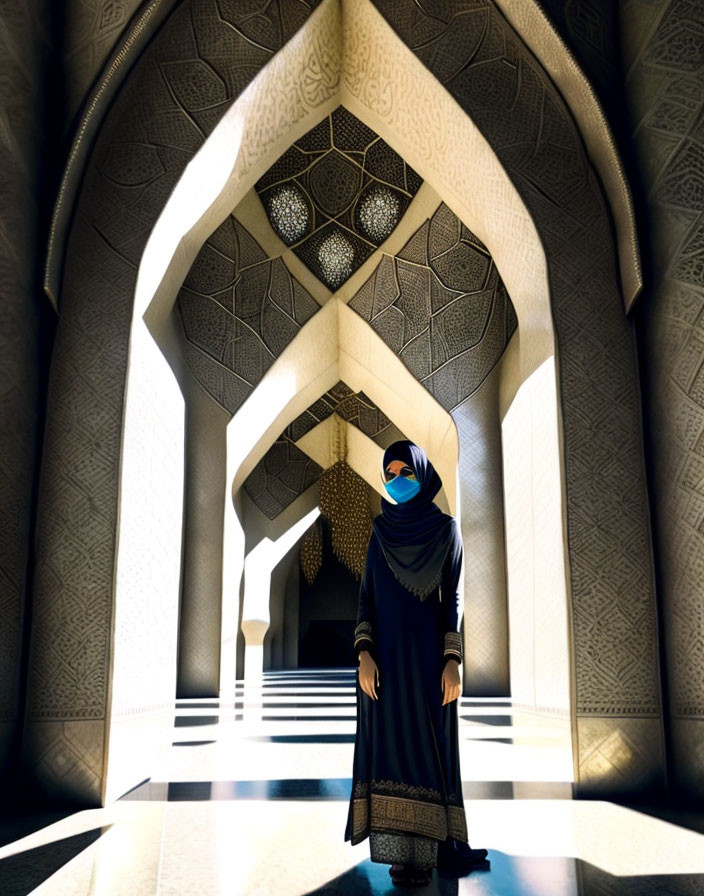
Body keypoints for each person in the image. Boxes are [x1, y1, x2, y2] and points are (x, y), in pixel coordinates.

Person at [344, 440, 490, 888]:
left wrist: (453, 660)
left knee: (427, 753)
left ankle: (426, 851)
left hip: (428, 664)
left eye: (405, 471)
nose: (396, 481)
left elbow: (455, 602)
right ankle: (401, 853)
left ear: (422, 473)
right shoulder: (378, 531)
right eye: (389, 474)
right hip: (383, 664)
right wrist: (364, 654)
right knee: (389, 753)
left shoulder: (446, 530)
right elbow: (366, 597)